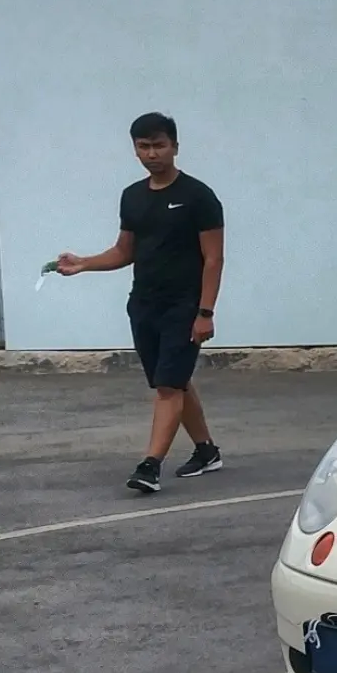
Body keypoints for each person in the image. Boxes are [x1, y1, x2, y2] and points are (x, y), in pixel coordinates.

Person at [55, 111, 226, 494]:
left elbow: (214, 258)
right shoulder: (132, 197)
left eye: (159, 145)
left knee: (168, 386)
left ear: (175, 147)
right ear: (135, 150)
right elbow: (123, 252)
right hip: (144, 305)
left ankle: (150, 466)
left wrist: (205, 312)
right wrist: (83, 263)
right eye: (144, 146)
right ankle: (207, 451)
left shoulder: (198, 197)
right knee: (174, 381)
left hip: (185, 306)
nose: (152, 153)